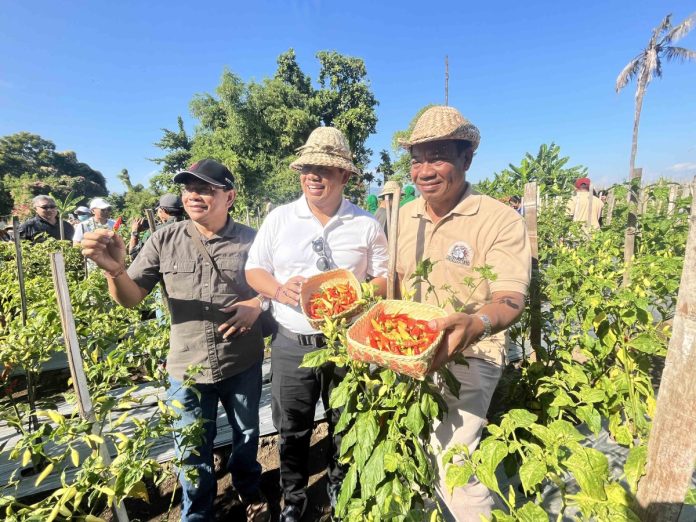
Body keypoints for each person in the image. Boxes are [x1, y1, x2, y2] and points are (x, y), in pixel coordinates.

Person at [80, 159, 269, 522]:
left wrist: (257, 302)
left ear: (228, 196)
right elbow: (131, 297)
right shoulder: (163, 239)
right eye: (188, 189)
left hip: (240, 359)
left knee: (247, 433)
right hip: (187, 365)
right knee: (191, 448)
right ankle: (197, 512)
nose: (194, 195)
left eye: (205, 189)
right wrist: (115, 271)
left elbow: (276, 287)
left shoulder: (252, 239)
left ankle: (249, 489)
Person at [245, 126, 389, 522]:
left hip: (346, 344)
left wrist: (355, 291)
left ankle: (339, 488)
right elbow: (254, 270)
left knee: (344, 422)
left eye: (325, 169)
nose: (313, 175)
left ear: (345, 176)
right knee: (291, 428)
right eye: (308, 167)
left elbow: (384, 277)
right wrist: (277, 290)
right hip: (292, 342)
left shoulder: (365, 224)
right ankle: (294, 497)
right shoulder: (279, 219)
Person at [396, 106, 531, 522]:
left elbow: (510, 298)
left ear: (466, 159)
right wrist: (360, 293)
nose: (424, 171)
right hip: (410, 349)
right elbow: (394, 280)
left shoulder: (498, 219)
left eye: (437, 157)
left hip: (472, 354)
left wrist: (475, 323)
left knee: (455, 461)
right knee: (412, 448)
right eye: (417, 160)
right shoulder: (403, 216)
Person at [129, 193, 185, 259]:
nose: (158, 215)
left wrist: (134, 232)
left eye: (158, 211)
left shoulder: (156, 232)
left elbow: (134, 256)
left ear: (163, 210)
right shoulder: (193, 226)